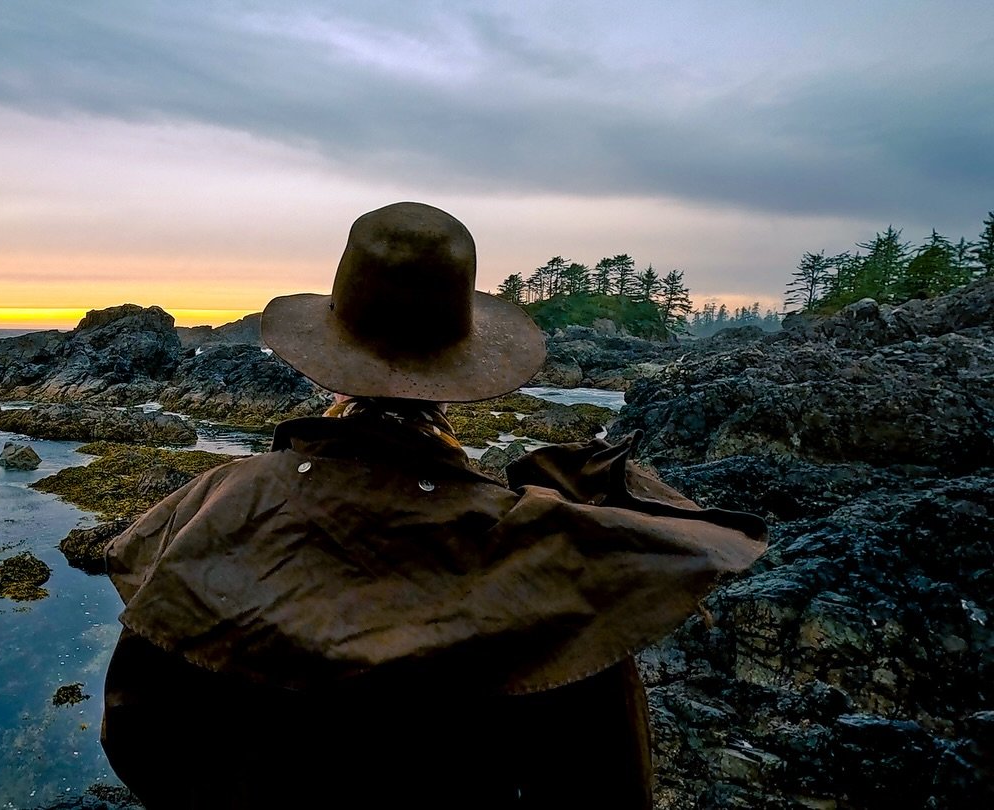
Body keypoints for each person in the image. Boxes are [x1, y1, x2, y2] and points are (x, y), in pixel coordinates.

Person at [100, 202, 766, 809]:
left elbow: (137, 729)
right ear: (462, 376)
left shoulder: (217, 503)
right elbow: (603, 789)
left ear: (324, 361)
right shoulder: (547, 562)